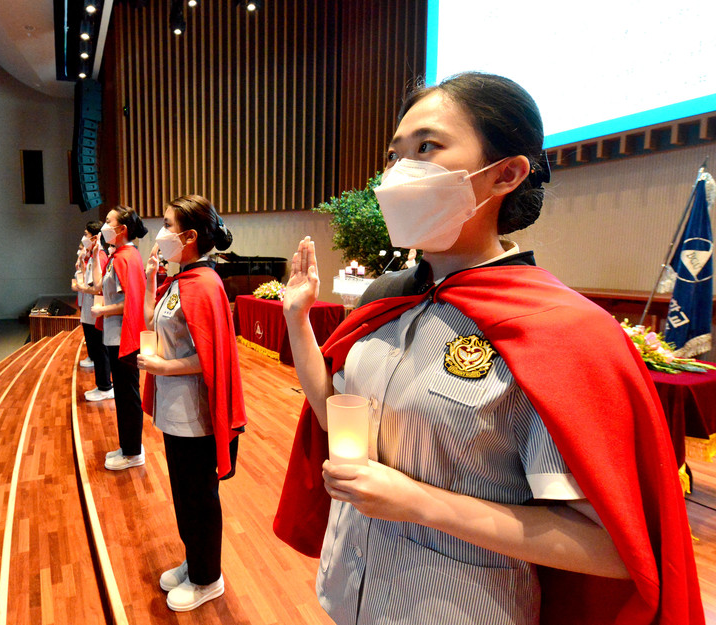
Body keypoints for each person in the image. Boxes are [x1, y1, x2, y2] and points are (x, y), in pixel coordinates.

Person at [273, 72, 702, 625]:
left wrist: (422, 504)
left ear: (506, 173)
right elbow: (335, 413)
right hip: (348, 589)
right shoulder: (386, 301)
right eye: (394, 155)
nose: (399, 172)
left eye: (427, 147)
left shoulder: (562, 332)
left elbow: (614, 550)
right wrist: (296, 319)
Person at [137, 195, 247, 612]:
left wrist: (162, 368)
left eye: (166, 225)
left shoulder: (204, 285)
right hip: (175, 409)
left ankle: (208, 578)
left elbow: (211, 358)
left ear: (189, 236)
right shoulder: (180, 281)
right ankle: (195, 560)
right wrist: (150, 279)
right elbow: (152, 322)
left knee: (199, 497)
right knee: (183, 495)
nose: (160, 232)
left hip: (196, 415)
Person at [91, 206, 148, 470]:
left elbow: (130, 301)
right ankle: (127, 446)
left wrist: (103, 309)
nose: (104, 226)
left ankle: (133, 452)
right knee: (124, 395)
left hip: (124, 337)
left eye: (108, 221)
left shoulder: (126, 257)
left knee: (127, 395)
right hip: (115, 335)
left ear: (122, 229)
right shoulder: (120, 255)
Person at [72, 221, 114, 401]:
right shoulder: (92, 256)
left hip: (96, 306)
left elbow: (98, 287)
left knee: (100, 349)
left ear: (95, 237)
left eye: (86, 234)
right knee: (95, 348)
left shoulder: (101, 256)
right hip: (90, 306)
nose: (84, 237)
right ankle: (102, 384)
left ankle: (105, 386)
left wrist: (82, 288)